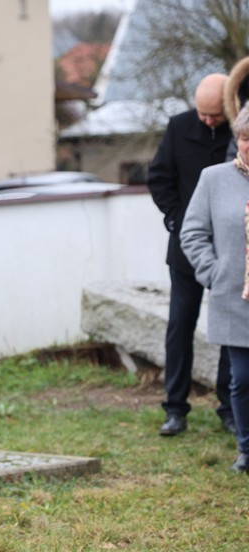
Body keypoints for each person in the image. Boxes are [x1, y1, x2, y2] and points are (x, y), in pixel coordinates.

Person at [148, 73, 235, 437]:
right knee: (180, 325)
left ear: (229, 108)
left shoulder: (240, 130)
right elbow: (159, 177)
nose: (207, 121)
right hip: (186, 249)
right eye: (202, 114)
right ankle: (176, 407)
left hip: (231, 249)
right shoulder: (178, 126)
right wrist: (176, 219)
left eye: (214, 115)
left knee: (231, 329)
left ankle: (229, 407)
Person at [180, 102, 249, 473]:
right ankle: (246, 448)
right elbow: (192, 233)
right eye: (243, 138)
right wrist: (214, 272)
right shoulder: (214, 179)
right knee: (241, 379)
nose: (247, 145)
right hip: (235, 298)